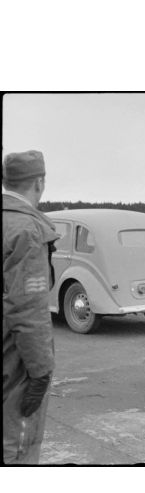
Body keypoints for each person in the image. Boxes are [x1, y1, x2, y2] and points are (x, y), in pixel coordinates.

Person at [3, 150, 59, 463]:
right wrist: (40, 372)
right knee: (18, 443)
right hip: (15, 355)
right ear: (39, 183)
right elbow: (28, 309)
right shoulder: (27, 230)